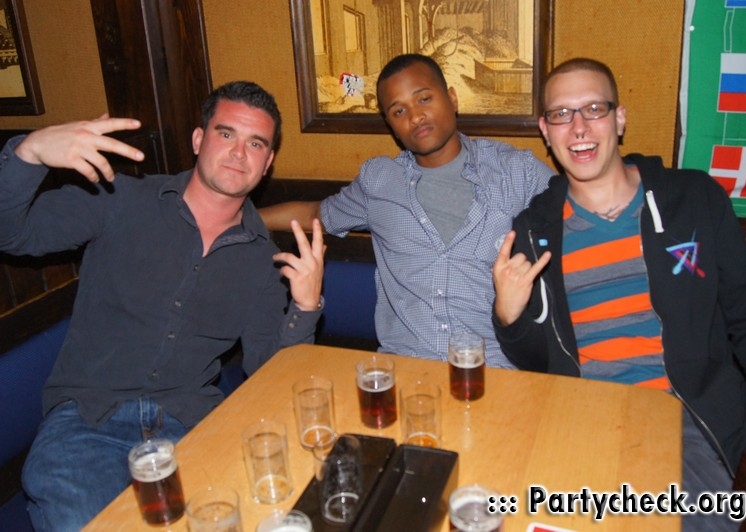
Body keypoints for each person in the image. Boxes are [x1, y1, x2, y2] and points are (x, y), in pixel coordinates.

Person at [0, 81, 325, 531]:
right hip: (87, 423)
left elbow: (271, 373)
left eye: (256, 143)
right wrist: (30, 152)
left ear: (267, 162)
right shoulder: (120, 200)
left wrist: (305, 305)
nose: (239, 153)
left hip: (191, 429)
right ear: (198, 139)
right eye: (226, 134)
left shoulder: (262, 259)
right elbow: (12, 232)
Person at [492, 58, 746, 529]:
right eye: (561, 114)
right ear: (545, 131)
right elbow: (540, 363)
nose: (578, 127)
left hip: (695, 411)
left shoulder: (692, 198)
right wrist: (509, 316)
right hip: (594, 420)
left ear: (619, 118)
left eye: (594, 108)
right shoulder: (534, 230)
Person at [261, 53, 554, 368]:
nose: (415, 117)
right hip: (406, 368)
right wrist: (238, 217)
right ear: (391, 125)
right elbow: (314, 214)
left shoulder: (515, 172)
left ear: (452, 98)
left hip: (495, 367)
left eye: (424, 99)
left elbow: (577, 210)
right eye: (399, 111)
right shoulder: (379, 182)